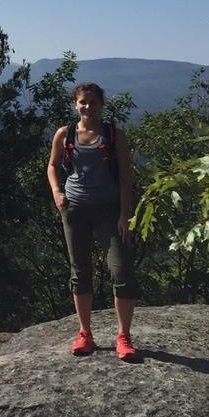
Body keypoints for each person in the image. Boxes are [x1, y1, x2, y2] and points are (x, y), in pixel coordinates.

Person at [46, 82, 139, 360]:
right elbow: (52, 165)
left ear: (101, 104)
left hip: (110, 210)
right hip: (75, 210)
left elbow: (125, 178)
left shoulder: (114, 135)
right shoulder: (65, 134)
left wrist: (125, 215)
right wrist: (57, 192)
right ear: (75, 104)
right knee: (80, 272)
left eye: (93, 102)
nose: (87, 106)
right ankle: (84, 333)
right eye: (82, 102)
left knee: (121, 272)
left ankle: (124, 336)